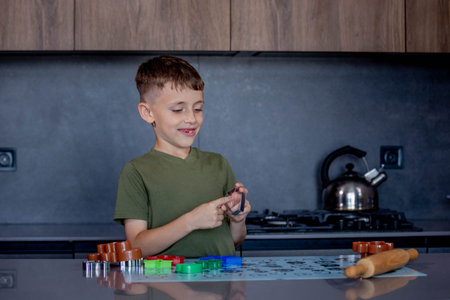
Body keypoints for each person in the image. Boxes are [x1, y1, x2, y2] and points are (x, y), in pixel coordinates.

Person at [113, 55, 250, 258]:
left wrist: (238, 220)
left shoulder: (218, 164)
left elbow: (234, 241)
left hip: (221, 285)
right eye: (178, 110)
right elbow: (135, 246)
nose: (191, 119)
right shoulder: (136, 172)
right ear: (147, 113)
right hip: (166, 287)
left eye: (198, 108)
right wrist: (191, 222)